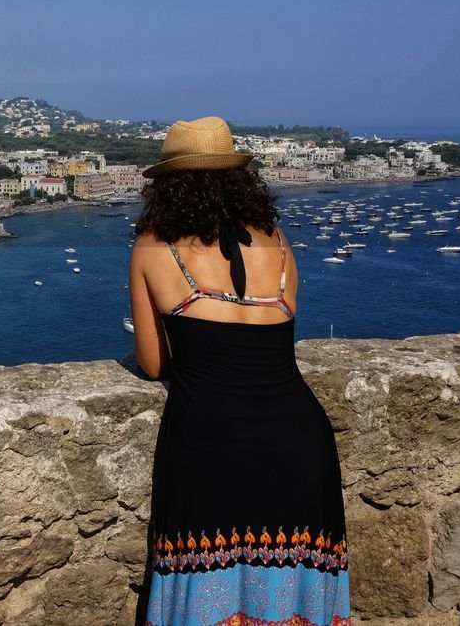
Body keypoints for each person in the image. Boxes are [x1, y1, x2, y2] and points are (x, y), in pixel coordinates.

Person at [129, 116, 351, 626]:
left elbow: (154, 362)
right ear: (240, 182)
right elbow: (277, 328)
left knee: (209, 588)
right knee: (290, 589)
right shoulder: (276, 240)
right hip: (298, 437)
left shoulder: (152, 246)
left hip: (210, 438)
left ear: (167, 187)